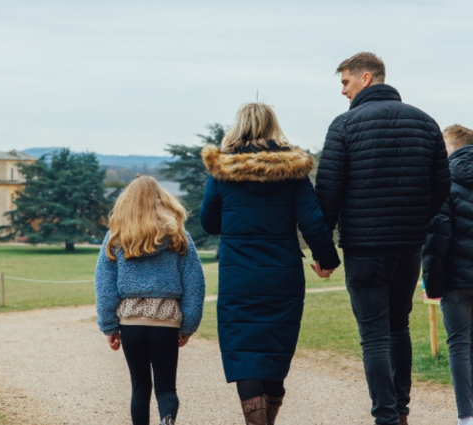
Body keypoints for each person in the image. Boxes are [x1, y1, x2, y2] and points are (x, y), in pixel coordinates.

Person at [315, 52, 451, 425]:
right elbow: (441, 186)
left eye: (345, 82)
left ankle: (386, 416)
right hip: (408, 245)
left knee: (374, 334)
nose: (343, 91)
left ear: (366, 78)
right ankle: (401, 412)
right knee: (399, 326)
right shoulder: (425, 122)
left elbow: (328, 194)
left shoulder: (344, 125)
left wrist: (324, 253)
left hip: (364, 246)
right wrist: (415, 222)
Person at [200, 102, 340, 425]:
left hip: (239, 277)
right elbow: (312, 222)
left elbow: (209, 223)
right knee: (275, 350)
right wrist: (327, 259)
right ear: (272, 126)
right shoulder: (292, 172)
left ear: (238, 127)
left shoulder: (222, 171)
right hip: (282, 275)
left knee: (244, 353)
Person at [95, 176, 205, 425]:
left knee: (140, 387)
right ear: (162, 200)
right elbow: (194, 283)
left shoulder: (116, 237)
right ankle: (167, 420)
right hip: (166, 322)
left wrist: (110, 326)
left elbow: (104, 286)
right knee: (166, 388)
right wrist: (188, 325)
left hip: (131, 322)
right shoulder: (178, 236)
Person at [423, 125, 473, 425]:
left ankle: (466, 416)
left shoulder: (444, 181)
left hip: (456, 280)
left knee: (459, 346)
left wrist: (432, 284)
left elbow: (436, 238)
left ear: (450, 147)